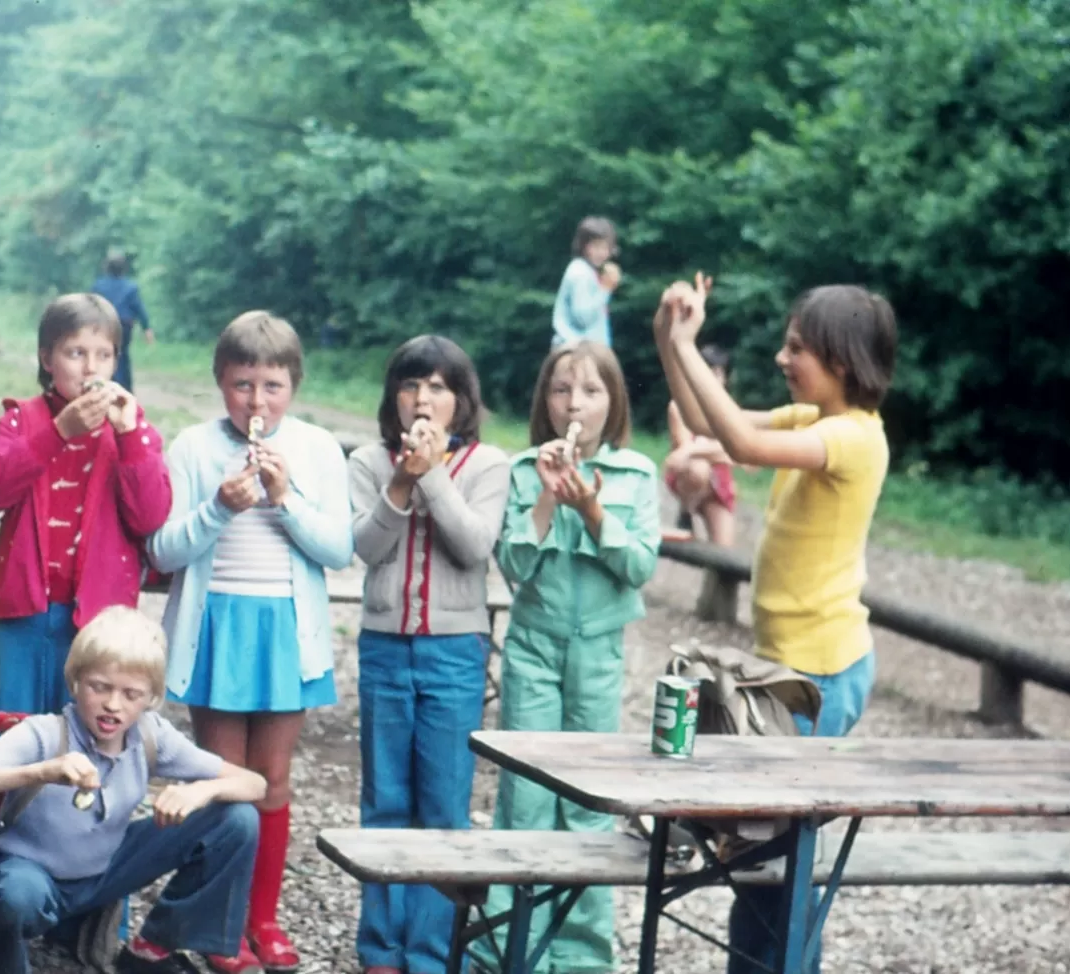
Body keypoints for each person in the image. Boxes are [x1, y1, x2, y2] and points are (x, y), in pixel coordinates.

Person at [653, 274, 897, 974]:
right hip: (786, 668)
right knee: (758, 853)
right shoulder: (814, 420)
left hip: (820, 674)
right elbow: (709, 427)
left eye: (797, 349)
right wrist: (671, 340)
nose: (782, 360)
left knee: (783, 863)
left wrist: (689, 343)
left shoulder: (853, 438)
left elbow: (740, 443)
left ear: (842, 360)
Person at [147, 310, 354, 972]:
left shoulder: (318, 448)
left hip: (285, 629)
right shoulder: (192, 447)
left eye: (271, 385)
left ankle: (263, 918)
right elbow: (164, 548)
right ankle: (221, 925)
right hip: (216, 626)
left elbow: (339, 549)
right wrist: (219, 507)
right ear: (219, 382)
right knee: (222, 781)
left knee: (273, 779)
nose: (256, 401)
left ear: (292, 384)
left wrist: (285, 498)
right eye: (242, 385)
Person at [0, 606, 269, 974]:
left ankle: (153, 947)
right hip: (29, 875)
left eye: (131, 693)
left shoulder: (151, 735)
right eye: (100, 686)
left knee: (236, 818)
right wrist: (40, 771)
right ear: (75, 681)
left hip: (104, 872)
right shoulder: (43, 734)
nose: (113, 704)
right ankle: (5, 957)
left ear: (151, 697)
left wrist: (201, 791)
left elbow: (255, 784)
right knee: (17, 896)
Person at [483, 341, 661, 974]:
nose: (574, 403)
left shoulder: (637, 475)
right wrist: (549, 499)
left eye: (590, 391)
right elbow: (512, 566)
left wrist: (591, 509)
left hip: (599, 653)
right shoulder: (524, 469)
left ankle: (583, 956)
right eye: (561, 390)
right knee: (526, 793)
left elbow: (639, 567)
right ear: (544, 401)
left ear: (613, 403)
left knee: (588, 800)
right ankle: (511, 945)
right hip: (532, 647)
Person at [346, 335, 510, 974]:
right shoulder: (366, 460)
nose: (423, 398)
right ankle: (381, 948)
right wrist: (399, 483)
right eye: (412, 385)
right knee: (385, 798)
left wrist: (433, 474)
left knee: (443, 803)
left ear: (461, 399)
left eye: (439, 387)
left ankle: (433, 950)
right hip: (385, 646)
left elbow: (474, 546)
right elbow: (367, 547)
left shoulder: (489, 464)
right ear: (394, 396)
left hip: (454, 651)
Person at [0, 292, 171, 737]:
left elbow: (150, 517)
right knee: (14, 734)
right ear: (47, 357)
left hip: (98, 617)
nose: (90, 368)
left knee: (89, 735)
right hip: (21, 609)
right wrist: (59, 432)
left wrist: (131, 437)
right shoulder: (22, 419)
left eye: (104, 355)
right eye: (75, 353)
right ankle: (11, 809)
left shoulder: (133, 429)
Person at [662, 344, 738, 545]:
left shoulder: (731, 411)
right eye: (707, 372)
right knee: (699, 468)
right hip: (689, 477)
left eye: (717, 374)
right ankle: (686, 511)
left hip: (719, 483)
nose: (712, 379)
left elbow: (738, 455)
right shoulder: (679, 407)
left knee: (725, 555)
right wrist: (720, 452)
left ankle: (692, 510)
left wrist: (698, 451)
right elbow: (685, 450)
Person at [551, 217, 622, 348]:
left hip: (588, 347)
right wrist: (605, 289)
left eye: (606, 247)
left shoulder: (588, 271)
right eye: (596, 246)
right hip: (579, 349)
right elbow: (583, 318)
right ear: (583, 246)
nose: (601, 253)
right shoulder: (580, 272)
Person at [91, 249, 154, 392]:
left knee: (104, 354)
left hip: (103, 325)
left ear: (107, 267)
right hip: (124, 326)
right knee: (122, 355)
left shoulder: (98, 286)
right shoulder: (131, 287)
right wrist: (147, 328)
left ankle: (104, 384)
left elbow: (89, 307)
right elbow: (139, 308)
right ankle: (124, 388)